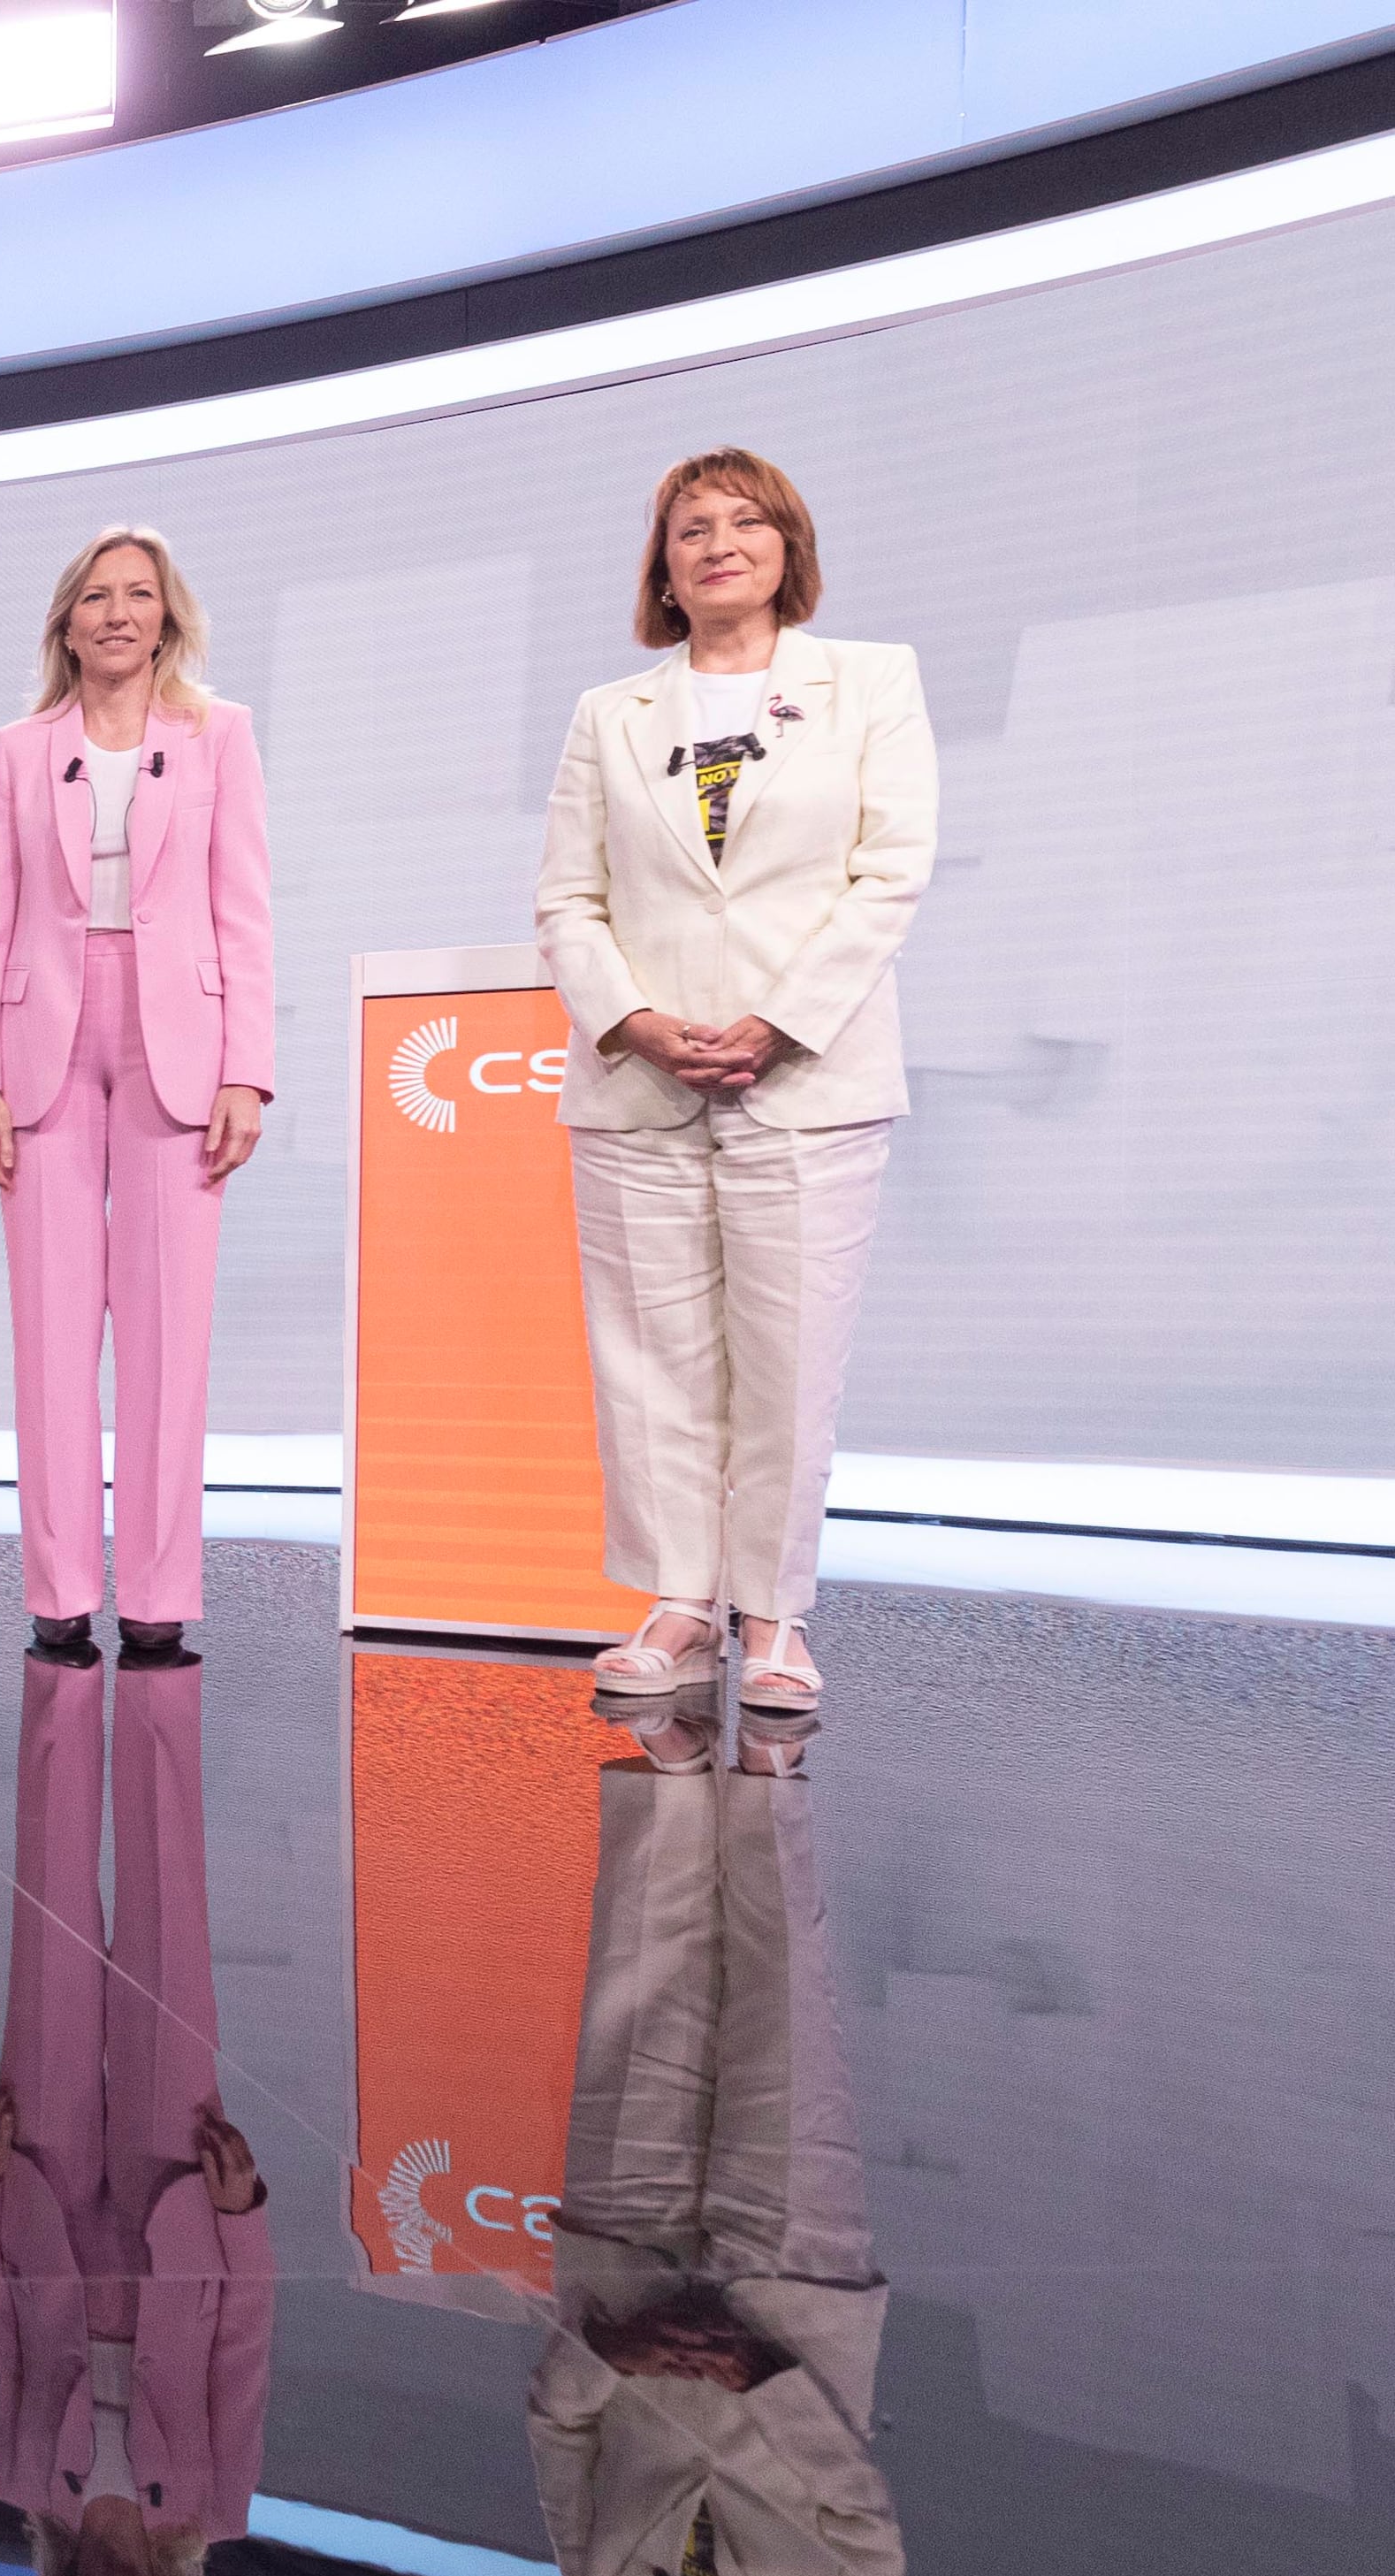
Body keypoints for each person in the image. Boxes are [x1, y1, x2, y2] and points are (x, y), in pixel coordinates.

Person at [537, 448, 936, 1715]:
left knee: (787, 1350)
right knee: (652, 1355)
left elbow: (891, 871)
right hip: (641, 1082)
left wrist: (777, 1020)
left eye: (744, 521)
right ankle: (676, 1602)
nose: (718, 542)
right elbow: (568, 897)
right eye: (691, 527)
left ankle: (772, 1616)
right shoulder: (612, 713)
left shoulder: (870, 682)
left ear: (787, 545)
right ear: (663, 565)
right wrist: (638, 1020)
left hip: (807, 1074)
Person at [534, 1700, 891, 2576]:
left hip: (627, 2277)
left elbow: (556, 2424)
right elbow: (858, 2514)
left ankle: (678, 1773)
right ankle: (772, 1775)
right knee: (782, 2020)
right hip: (792, 2299)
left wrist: (615, 2356)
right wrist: (764, 2379)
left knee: (642, 1998)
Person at [0, 527, 276, 1664]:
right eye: (95, 597)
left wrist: (247, 1067)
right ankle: (56, 1586)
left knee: (164, 1327)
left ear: (165, 615)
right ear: (65, 621)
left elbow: (242, 906)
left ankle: (154, 1587)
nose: (116, 614)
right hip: (40, 1032)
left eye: (137, 596)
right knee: (48, 1325)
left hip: (176, 1035)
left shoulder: (217, 736)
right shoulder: (17, 748)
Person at [0, 1639, 272, 2576]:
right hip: (176, 2211)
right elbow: (240, 2344)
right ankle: (155, 1685)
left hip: (42, 2201)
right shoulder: (211, 2506)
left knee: (44, 1926)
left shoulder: (18, 2484)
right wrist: (239, 2217)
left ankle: (57, 1673)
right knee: (164, 1935)